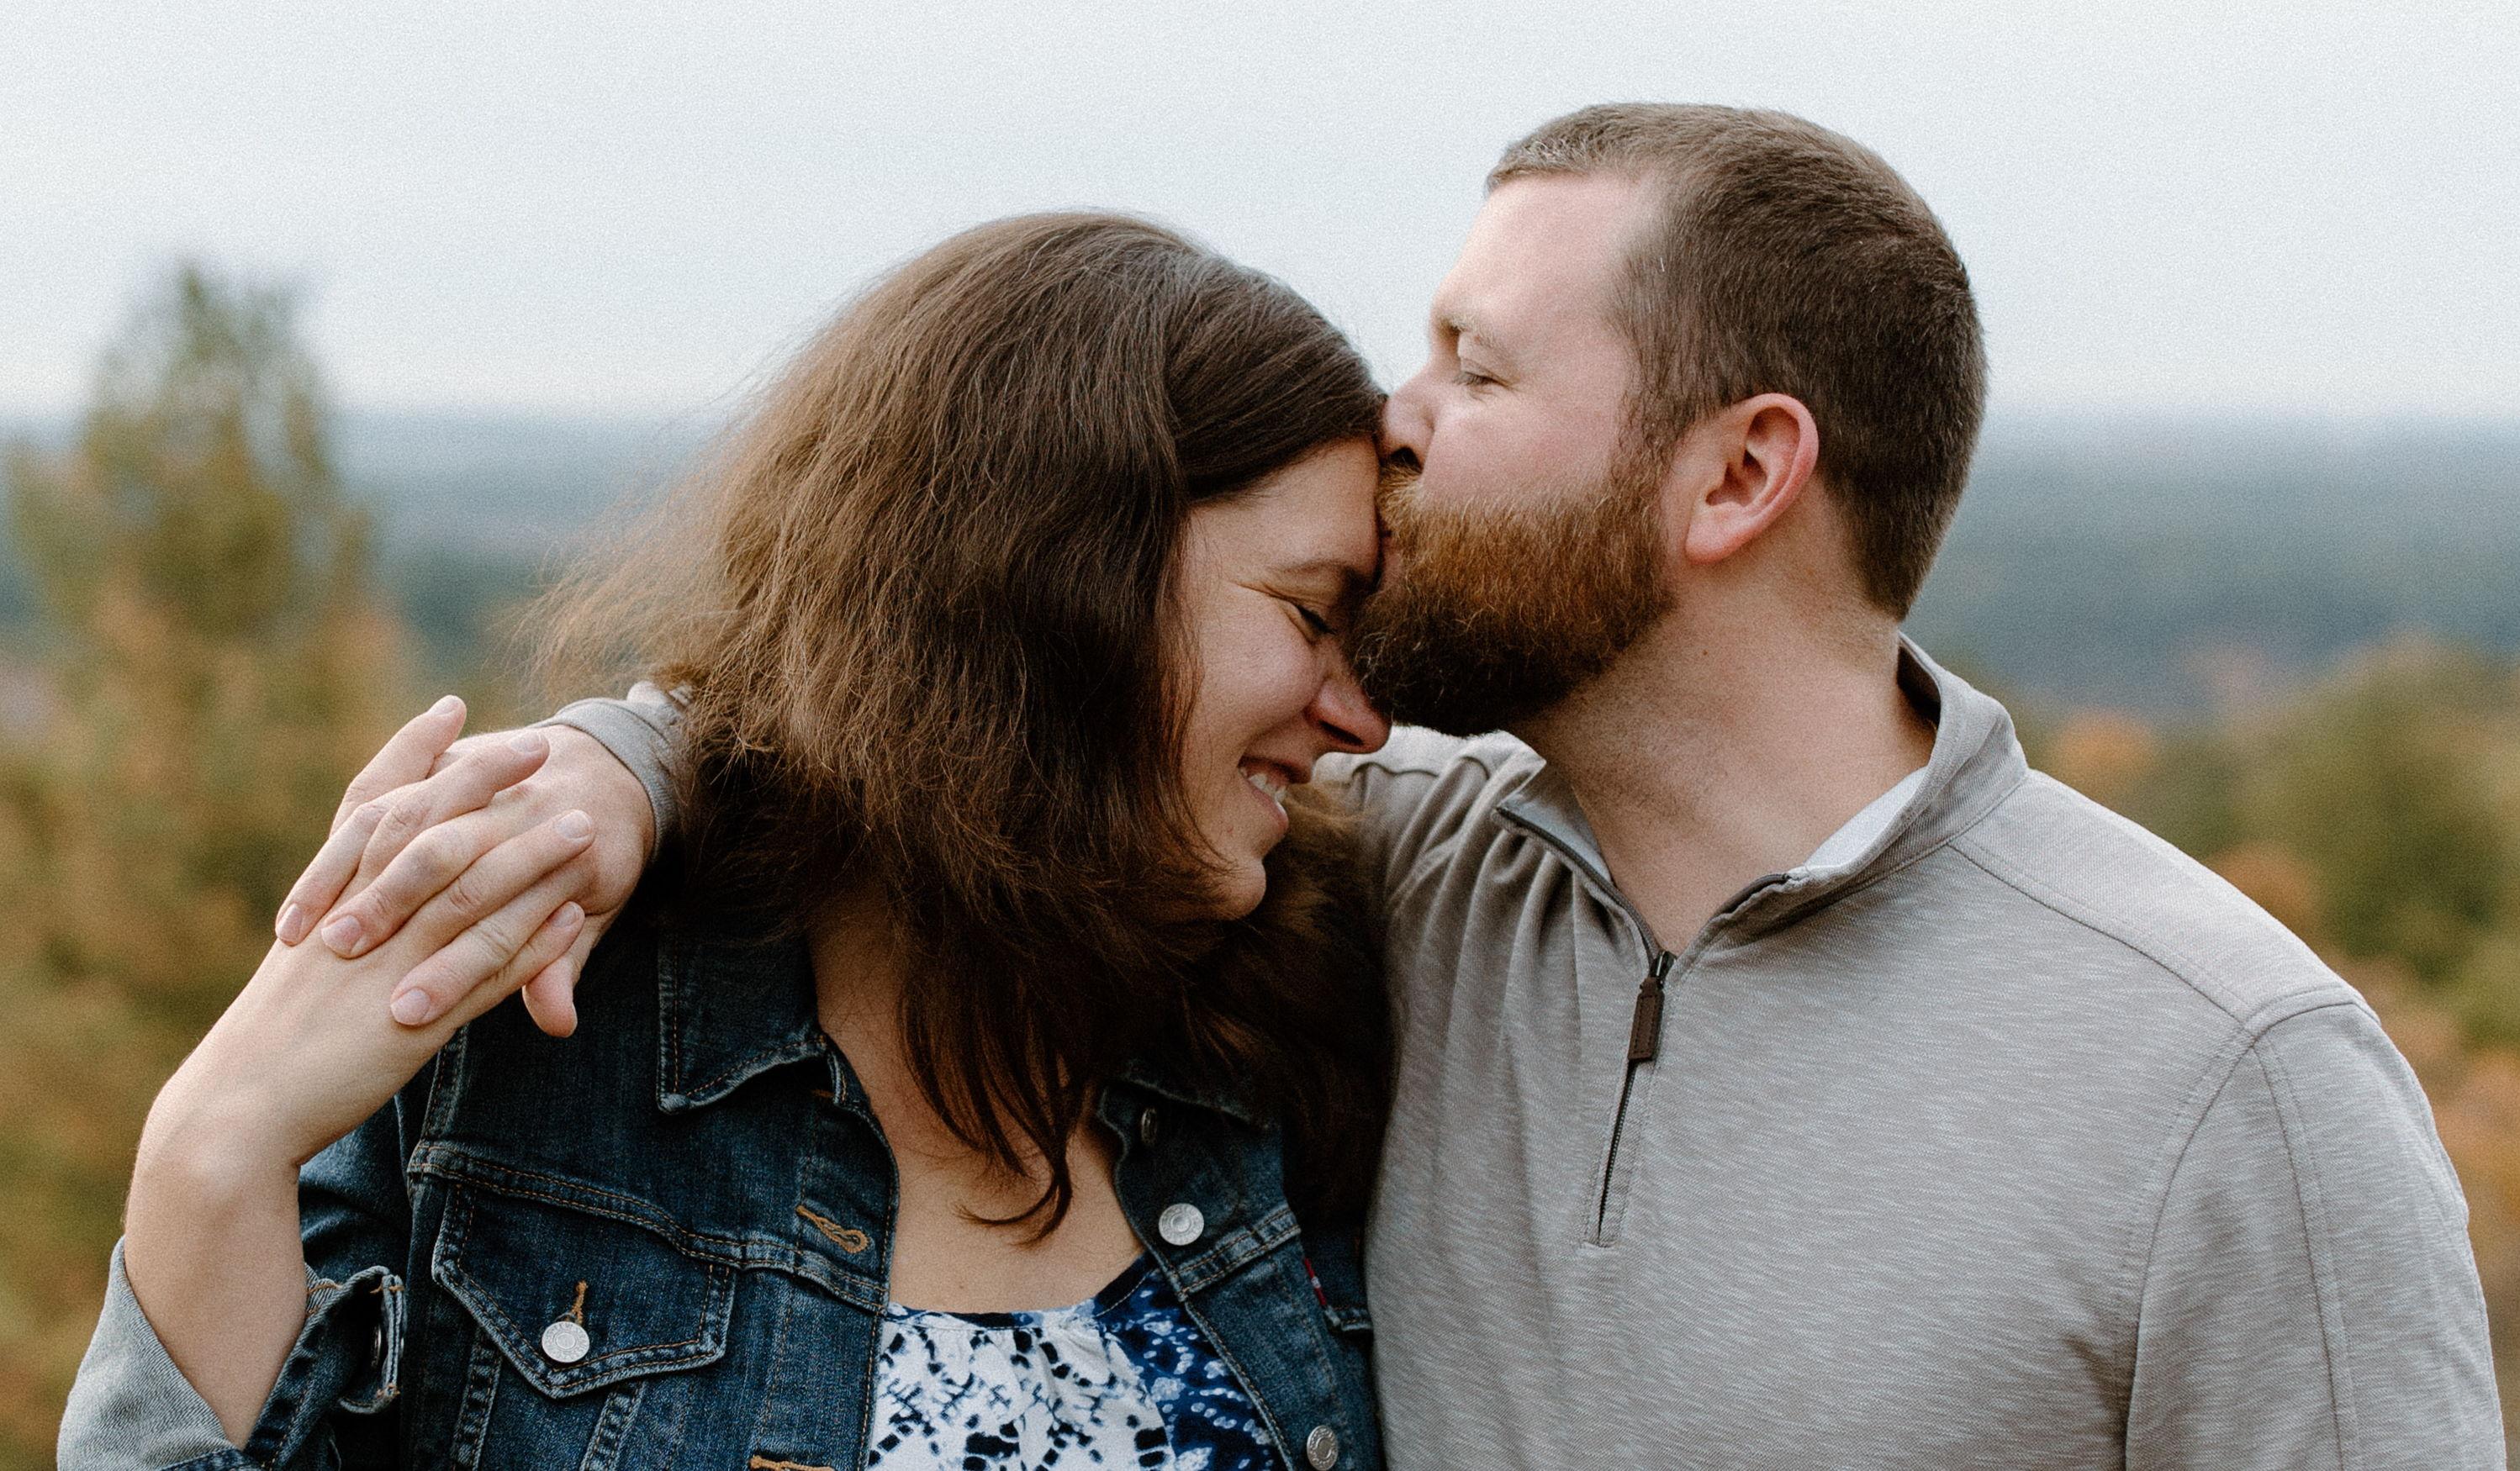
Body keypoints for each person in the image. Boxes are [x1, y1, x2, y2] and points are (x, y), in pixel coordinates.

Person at [218, 105, 2500, 1466]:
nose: (1394, 419)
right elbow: (974, 727)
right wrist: (624, 761)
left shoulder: (2226, 1073)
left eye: (1472, 367)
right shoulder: (1384, 879)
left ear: (1735, 474)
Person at [60, 213, 1397, 1470]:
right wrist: (217, 1140)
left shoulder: (1320, 1018)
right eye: (1310, 613)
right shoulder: (535, 1020)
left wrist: (634, 754)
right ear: (1067, 581)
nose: (1361, 717)